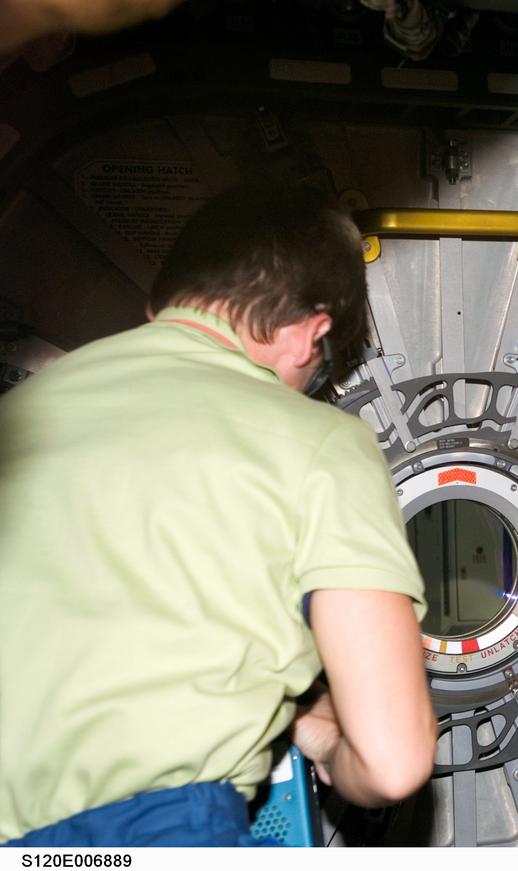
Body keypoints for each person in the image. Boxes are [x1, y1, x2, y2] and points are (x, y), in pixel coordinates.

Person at [0, 183, 437, 846]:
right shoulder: (318, 441)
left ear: (159, 307)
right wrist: (326, 746)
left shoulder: (19, 413)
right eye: (318, 369)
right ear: (310, 336)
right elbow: (393, 760)